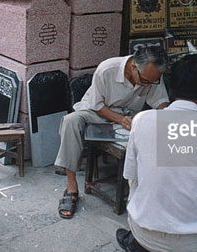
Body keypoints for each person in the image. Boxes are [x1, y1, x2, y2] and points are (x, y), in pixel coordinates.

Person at [116, 53, 197, 252]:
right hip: (193, 242)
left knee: (137, 178)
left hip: (143, 233)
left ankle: (142, 236)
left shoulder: (142, 120)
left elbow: (130, 175)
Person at [55, 47, 170, 219]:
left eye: (151, 82)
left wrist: (166, 118)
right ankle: (71, 187)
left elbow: (161, 102)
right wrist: (119, 119)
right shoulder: (107, 69)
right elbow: (97, 104)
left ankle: (149, 190)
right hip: (98, 112)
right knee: (71, 121)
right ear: (133, 67)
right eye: (145, 81)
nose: (147, 85)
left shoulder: (152, 76)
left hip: (130, 115)